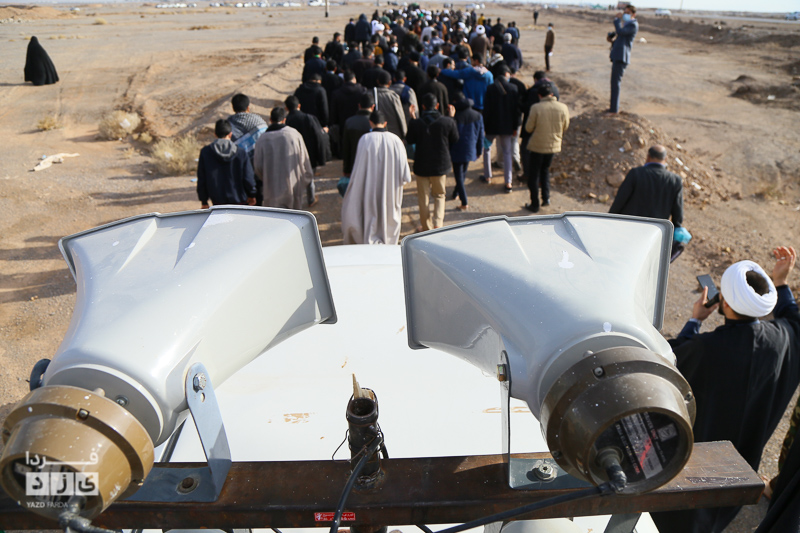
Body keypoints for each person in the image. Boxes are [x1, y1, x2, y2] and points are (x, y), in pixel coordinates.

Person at [651, 246, 800, 533]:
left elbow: (667, 360)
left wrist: (694, 321)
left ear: (725, 304)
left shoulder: (706, 349)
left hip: (694, 466)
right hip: (741, 464)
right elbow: (793, 317)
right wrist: (781, 283)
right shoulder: (784, 338)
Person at [341, 110, 412, 245]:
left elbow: (358, 168)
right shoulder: (396, 140)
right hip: (390, 188)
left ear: (371, 123)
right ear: (385, 123)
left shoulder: (365, 139)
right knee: (388, 214)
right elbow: (405, 174)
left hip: (369, 186)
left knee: (369, 212)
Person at [406, 93, 459, 232]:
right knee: (439, 195)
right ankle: (438, 224)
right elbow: (455, 138)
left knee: (423, 198)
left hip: (422, 165)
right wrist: (451, 118)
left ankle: (426, 227)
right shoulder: (447, 122)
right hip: (440, 165)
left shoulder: (416, 123)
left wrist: (412, 119)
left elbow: (410, 139)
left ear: (422, 107)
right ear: (437, 106)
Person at [253, 107, 313, 210]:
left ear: (270, 120)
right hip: (292, 186)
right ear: (284, 120)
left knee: (275, 217)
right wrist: (305, 179)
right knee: (293, 216)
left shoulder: (262, 139)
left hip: (271, 189)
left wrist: (267, 178)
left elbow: (258, 167)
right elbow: (304, 160)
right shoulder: (294, 135)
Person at [609, 145, 684, 226]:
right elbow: (677, 213)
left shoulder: (636, 173)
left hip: (631, 226)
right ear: (665, 159)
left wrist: (609, 218)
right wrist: (676, 226)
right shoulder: (675, 180)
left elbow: (620, 199)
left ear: (648, 157)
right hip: (656, 229)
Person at [523, 83, 569, 213]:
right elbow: (565, 126)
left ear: (539, 95)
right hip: (553, 146)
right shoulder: (563, 107)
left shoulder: (536, 108)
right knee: (545, 171)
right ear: (552, 94)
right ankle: (546, 198)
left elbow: (528, 128)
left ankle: (535, 204)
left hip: (537, 146)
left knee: (533, 175)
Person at [197, 119, 257, 209]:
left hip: (217, 203)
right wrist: (252, 194)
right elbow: (248, 177)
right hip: (240, 202)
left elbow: (202, 178)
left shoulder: (206, 152)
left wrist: (204, 201)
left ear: (215, 134)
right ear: (230, 134)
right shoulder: (241, 153)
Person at [482, 64, 520, 192]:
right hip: (507, 127)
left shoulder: (490, 88)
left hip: (491, 127)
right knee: (507, 152)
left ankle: (487, 176)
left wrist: (485, 126)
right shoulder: (513, 88)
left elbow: (486, 110)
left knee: (487, 149)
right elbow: (516, 111)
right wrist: (515, 127)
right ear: (507, 74)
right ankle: (508, 182)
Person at [285, 95, 326, 207]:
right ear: (299, 105)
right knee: (309, 176)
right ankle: (311, 199)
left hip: (292, 154)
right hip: (309, 152)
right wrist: (321, 156)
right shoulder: (309, 118)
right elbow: (318, 137)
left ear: (286, 108)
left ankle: (294, 201)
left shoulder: (287, 121)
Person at [226, 94, 268, 204]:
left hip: (239, 173)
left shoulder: (228, 125)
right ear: (248, 107)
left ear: (233, 108)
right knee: (259, 202)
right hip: (260, 169)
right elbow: (267, 142)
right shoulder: (258, 121)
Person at [449, 93, 484, 210]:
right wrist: (479, 150)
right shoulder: (478, 115)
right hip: (470, 149)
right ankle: (455, 193)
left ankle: (464, 202)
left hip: (457, 150)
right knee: (462, 173)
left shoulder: (455, 116)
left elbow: (450, 134)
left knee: (459, 175)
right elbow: (480, 135)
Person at [608, 4, 638, 113]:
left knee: (616, 83)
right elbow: (620, 39)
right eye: (625, 12)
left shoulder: (633, 25)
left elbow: (621, 32)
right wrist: (611, 40)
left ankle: (613, 110)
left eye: (628, 13)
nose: (625, 15)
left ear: (633, 14)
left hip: (622, 57)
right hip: (618, 55)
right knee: (613, 83)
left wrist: (617, 20)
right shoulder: (626, 25)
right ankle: (612, 108)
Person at [341, 93, 375, 178]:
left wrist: (346, 169)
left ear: (359, 105)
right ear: (373, 107)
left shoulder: (349, 122)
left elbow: (346, 148)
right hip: (373, 166)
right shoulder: (377, 123)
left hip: (355, 166)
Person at [374, 70, 408, 140]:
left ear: (377, 81)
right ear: (390, 82)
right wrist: (404, 133)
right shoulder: (394, 96)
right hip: (394, 134)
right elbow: (400, 116)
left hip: (376, 134)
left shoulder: (372, 95)